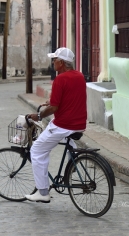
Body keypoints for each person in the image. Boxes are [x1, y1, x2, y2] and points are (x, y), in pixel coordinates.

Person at [25, 47, 87, 203]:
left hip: (64, 125)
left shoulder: (60, 79)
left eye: (55, 60)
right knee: (66, 143)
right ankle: (71, 168)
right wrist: (52, 103)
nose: (53, 62)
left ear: (62, 62)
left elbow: (54, 108)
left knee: (37, 150)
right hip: (78, 123)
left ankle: (42, 192)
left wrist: (39, 115)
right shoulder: (79, 76)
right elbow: (69, 98)